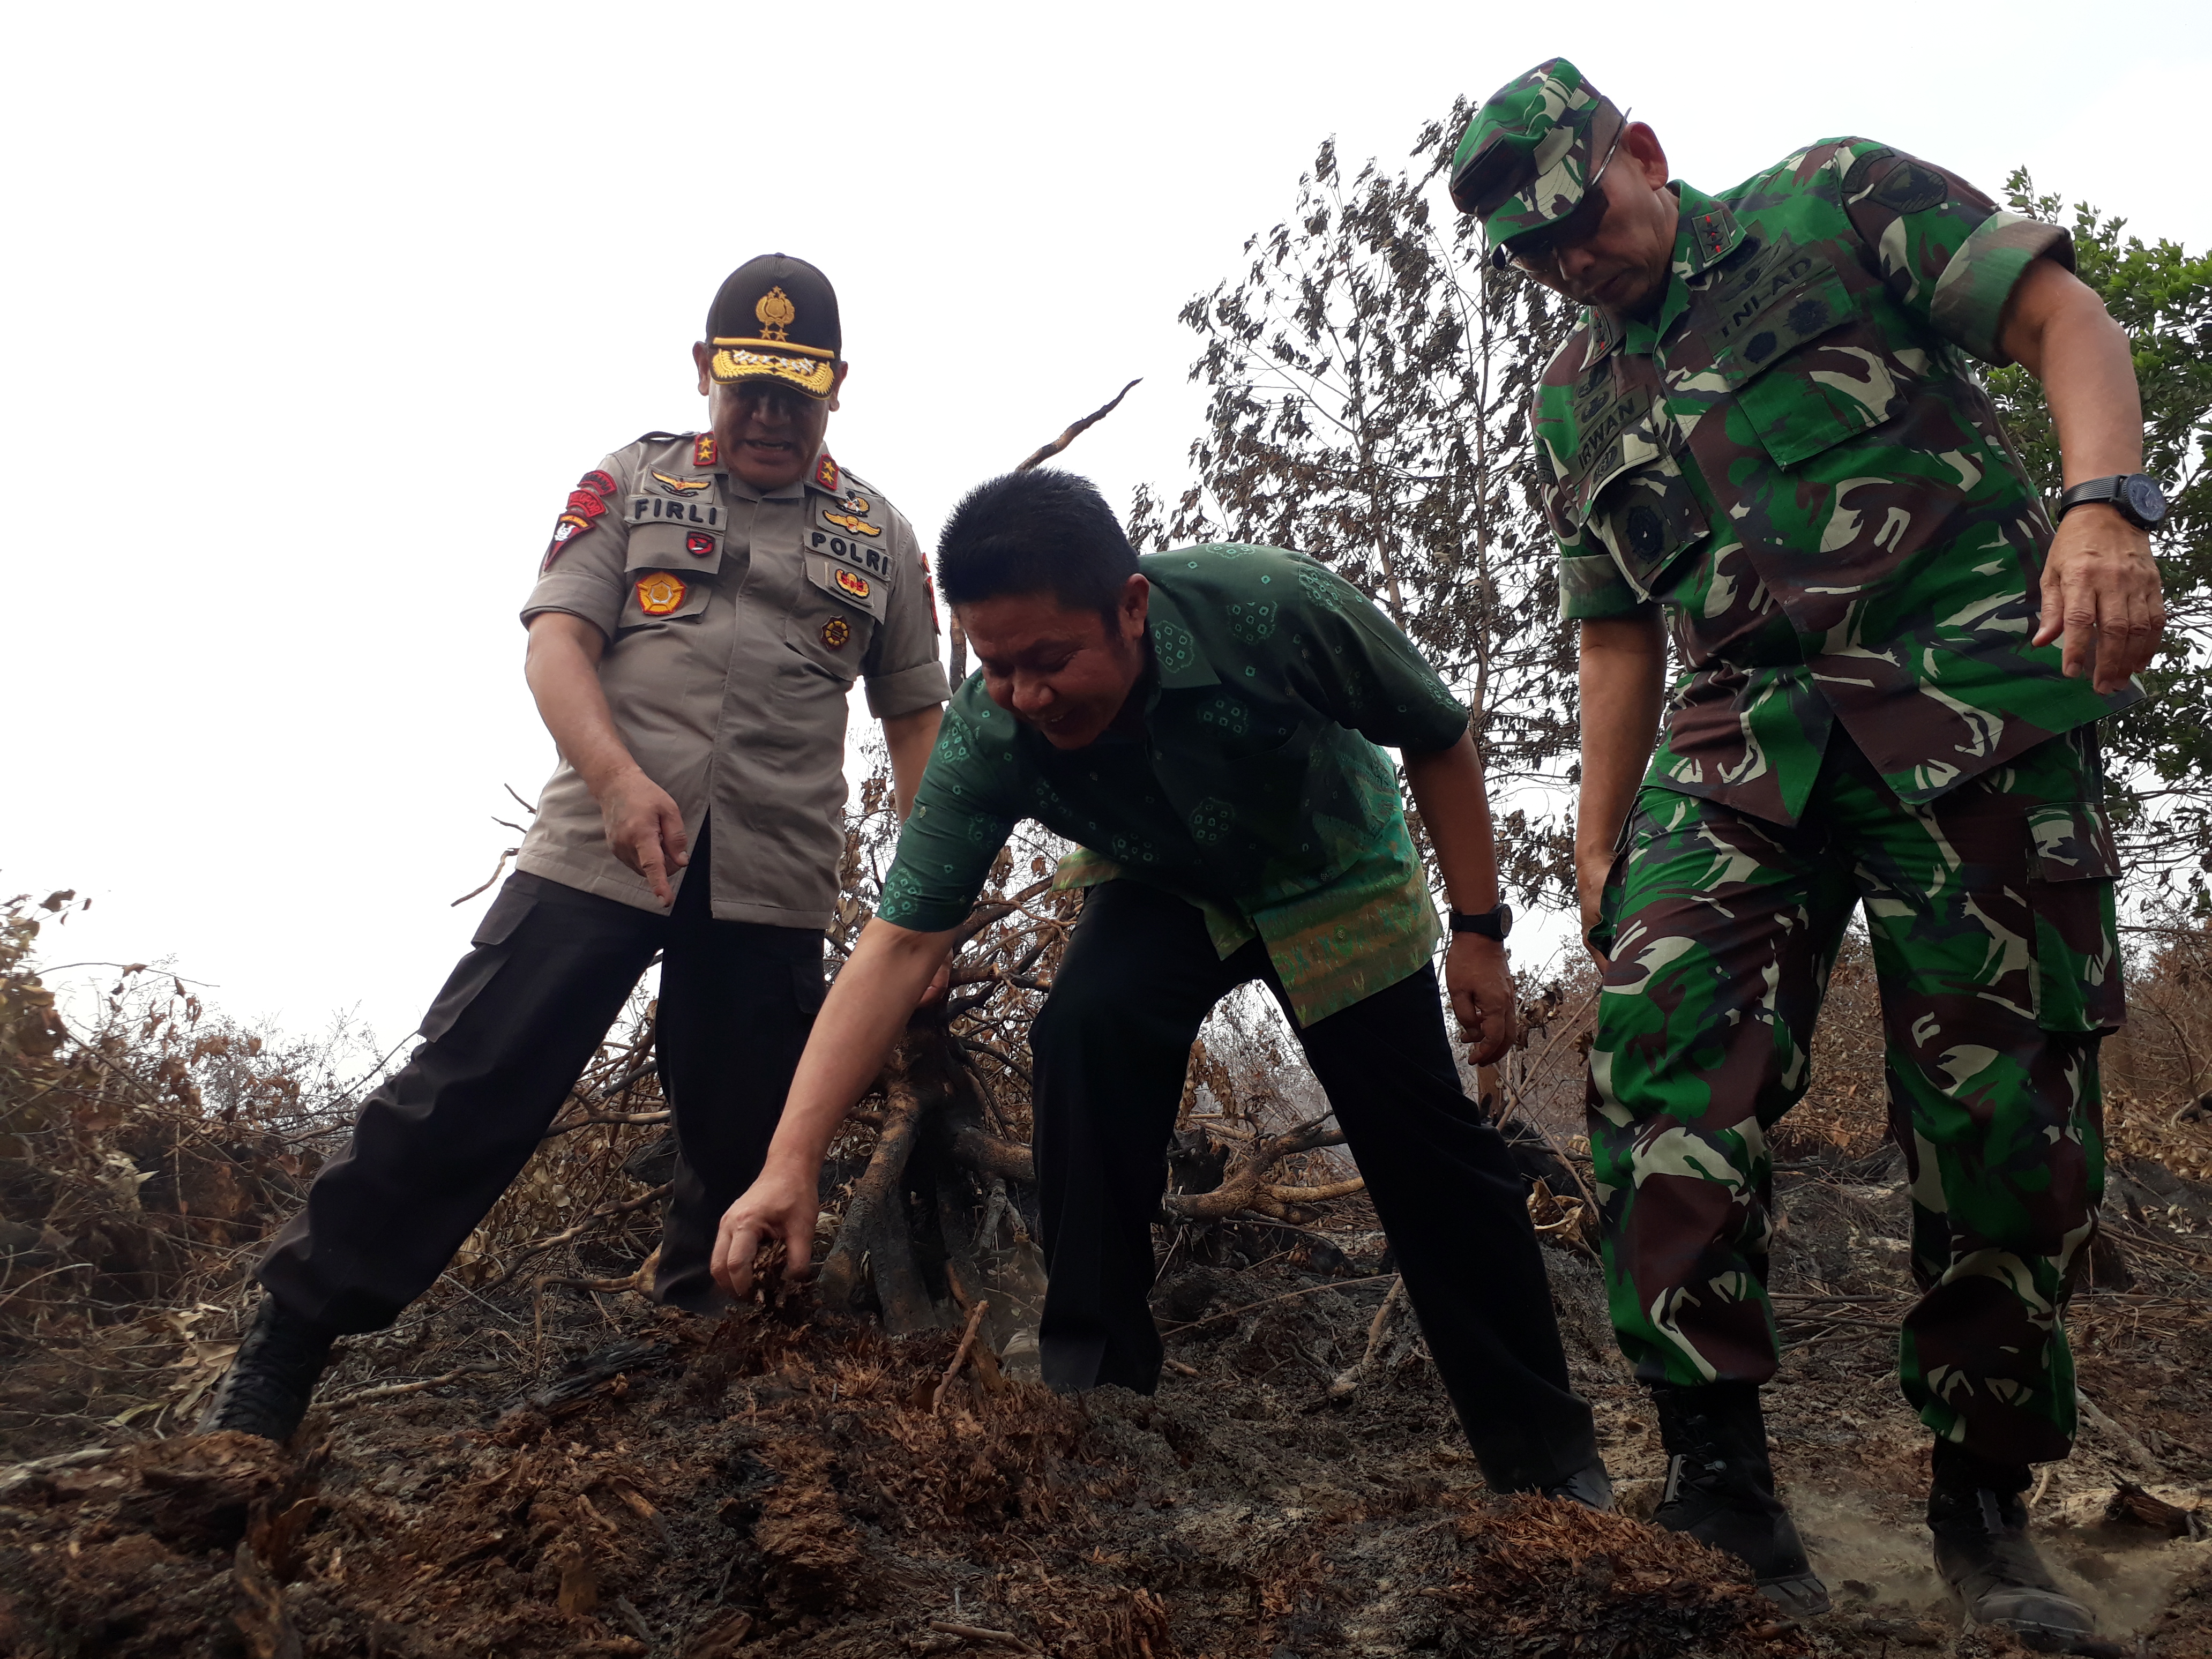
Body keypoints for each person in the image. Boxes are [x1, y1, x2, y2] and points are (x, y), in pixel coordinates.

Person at [1449, 59, 2166, 1636]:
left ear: (1641, 153)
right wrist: (1599, 842)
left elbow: (2067, 320)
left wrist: (2104, 506)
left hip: (1966, 694)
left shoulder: (1830, 202)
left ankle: (1985, 1505)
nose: (1571, 259)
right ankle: (1721, 1481)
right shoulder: (1575, 397)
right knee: (1657, 1048)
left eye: (1580, 216)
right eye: (1533, 252)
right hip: (1739, 742)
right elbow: (1616, 634)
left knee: (2006, 1112)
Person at [709, 469, 1612, 1504]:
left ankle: (1549, 1466)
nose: (1027, 696)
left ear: (1131, 606)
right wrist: (790, 1162)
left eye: (1052, 660)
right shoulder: (988, 731)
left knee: (1424, 1149)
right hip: (1161, 881)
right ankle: (1097, 1411)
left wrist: (1480, 933)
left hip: (1332, 870)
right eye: (999, 667)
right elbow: (901, 943)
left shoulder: (1274, 607)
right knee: (1085, 1031)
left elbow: (1438, 735)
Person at [198, 254, 950, 1442]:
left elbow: (915, 719)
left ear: (837, 388)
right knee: (469, 1087)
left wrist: (930, 902)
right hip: (601, 849)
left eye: (796, 394)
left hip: (773, 882)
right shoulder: (631, 482)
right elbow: (555, 643)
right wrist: (613, 778)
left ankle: (706, 1369)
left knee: (745, 1138)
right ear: (705, 373)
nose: (769, 415)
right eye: (748, 388)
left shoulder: (882, 533)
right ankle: (287, 1344)